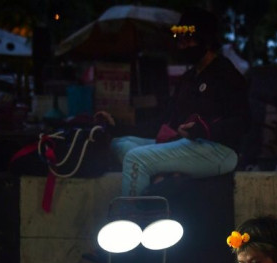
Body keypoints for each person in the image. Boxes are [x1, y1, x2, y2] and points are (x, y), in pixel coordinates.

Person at [98, 7, 250, 196]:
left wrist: (204, 129)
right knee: (119, 144)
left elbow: (242, 123)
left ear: (205, 40)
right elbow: (163, 123)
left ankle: (136, 219)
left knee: (136, 159)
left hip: (219, 150)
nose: (181, 46)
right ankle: (164, 177)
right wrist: (117, 126)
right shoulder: (188, 79)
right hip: (184, 146)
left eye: (187, 39)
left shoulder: (226, 75)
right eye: (179, 40)